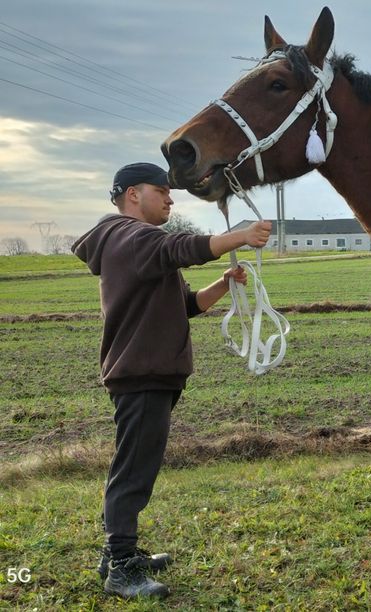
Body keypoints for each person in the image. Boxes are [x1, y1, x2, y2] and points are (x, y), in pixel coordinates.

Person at [72, 162, 271, 599]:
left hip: (150, 373)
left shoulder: (135, 245)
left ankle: (117, 554)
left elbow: (186, 305)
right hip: (142, 373)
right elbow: (182, 248)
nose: (170, 198)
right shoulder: (129, 236)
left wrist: (222, 284)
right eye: (161, 191)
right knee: (133, 473)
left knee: (134, 465)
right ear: (132, 195)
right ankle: (122, 567)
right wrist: (240, 236)